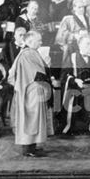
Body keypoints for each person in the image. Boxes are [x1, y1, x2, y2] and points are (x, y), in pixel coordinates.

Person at [10, 29, 54, 157]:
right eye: (38, 40)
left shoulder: (31, 53)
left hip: (34, 89)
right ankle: (28, 149)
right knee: (31, 119)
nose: (41, 42)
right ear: (29, 40)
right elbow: (37, 73)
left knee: (34, 119)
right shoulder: (27, 54)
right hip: (30, 91)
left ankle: (32, 146)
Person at [60, 33, 90, 137]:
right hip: (76, 87)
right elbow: (65, 75)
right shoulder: (72, 57)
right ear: (80, 45)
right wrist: (75, 80)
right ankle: (80, 126)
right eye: (87, 44)